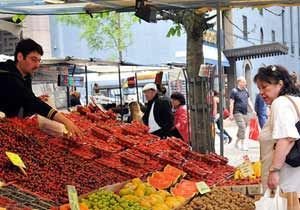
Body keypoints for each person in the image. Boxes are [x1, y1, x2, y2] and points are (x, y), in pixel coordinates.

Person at [0, 39, 82, 138]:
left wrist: (37, 99)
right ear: (20, 57)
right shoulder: (8, 75)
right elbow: (32, 101)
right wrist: (65, 121)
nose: (37, 65)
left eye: (39, 60)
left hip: (8, 127)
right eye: (33, 59)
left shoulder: (25, 77)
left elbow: (27, 100)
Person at [254, 65, 300, 193]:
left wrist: (274, 171)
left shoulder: (280, 103)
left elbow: (287, 138)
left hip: (286, 182)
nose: (261, 92)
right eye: (259, 88)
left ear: (280, 84)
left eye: (264, 87)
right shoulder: (295, 101)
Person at [229, 76, 256, 150]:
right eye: (243, 82)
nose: (245, 83)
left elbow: (249, 101)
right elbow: (231, 103)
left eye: (245, 82)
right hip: (237, 112)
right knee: (242, 127)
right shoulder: (234, 91)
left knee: (243, 128)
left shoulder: (246, 90)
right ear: (239, 82)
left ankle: (236, 143)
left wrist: (253, 110)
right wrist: (231, 114)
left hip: (245, 112)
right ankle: (243, 145)